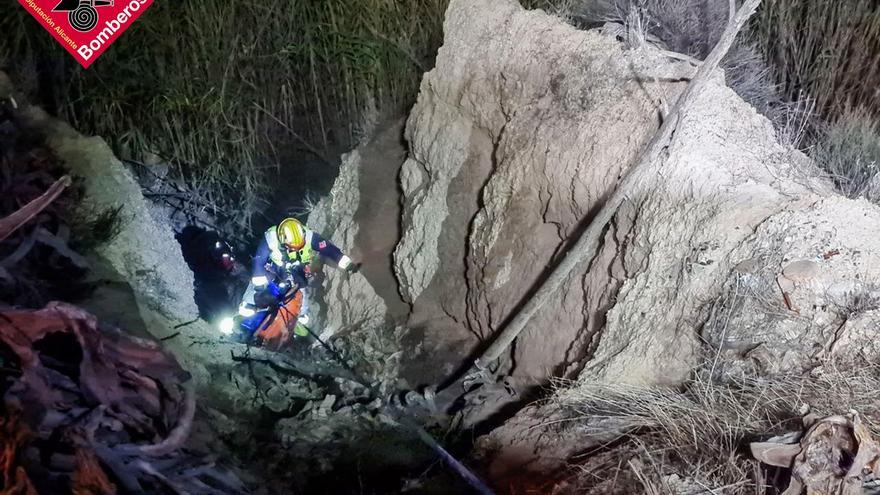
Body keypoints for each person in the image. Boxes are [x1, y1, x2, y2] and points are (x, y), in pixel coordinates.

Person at [238, 217, 358, 334]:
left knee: (301, 286)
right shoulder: (271, 238)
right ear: (283, 242)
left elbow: (329, 249)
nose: (295, 250)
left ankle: (301, 314)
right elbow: (258, 262)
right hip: (275, 266)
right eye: (292, 248)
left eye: (299, 247)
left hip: (296, 267)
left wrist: (346, 263)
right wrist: (259, 291)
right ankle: (247, 305)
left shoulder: (310, 237)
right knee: (261, 280)